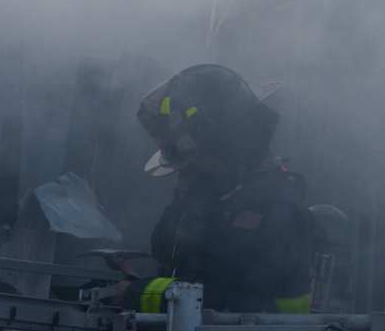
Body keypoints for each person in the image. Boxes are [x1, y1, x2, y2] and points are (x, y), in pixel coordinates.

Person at [121, 63, 319, 315]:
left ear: (224, 148)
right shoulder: (215, 195)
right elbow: (169, 251)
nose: (186, 173)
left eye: (193, 161)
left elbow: (228, 305)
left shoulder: (275, 209)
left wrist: (137, 294)